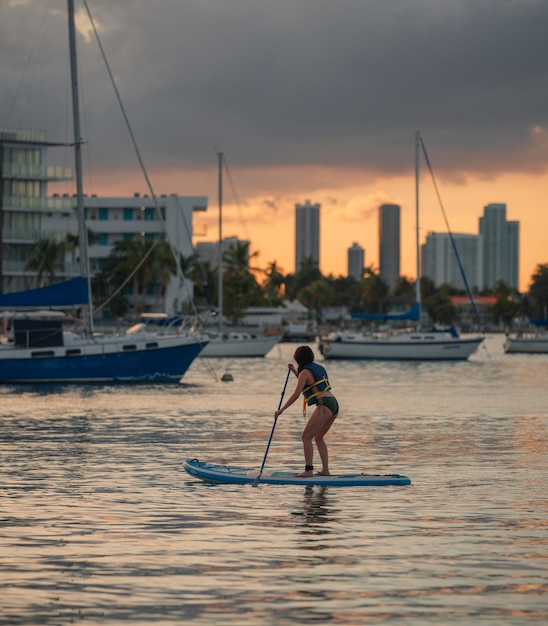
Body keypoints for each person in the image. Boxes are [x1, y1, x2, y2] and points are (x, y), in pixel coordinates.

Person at [274, 345, 339, 477]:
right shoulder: (318, 368)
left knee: (306, 437)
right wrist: (294, 372)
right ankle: (325, 470)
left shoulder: (304, 372)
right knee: (318, 437)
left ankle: (308, 471)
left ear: (298, 359)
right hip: (333, 403)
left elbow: (296, 394)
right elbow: (309, 382)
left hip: (323, 405)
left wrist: (281, 410)